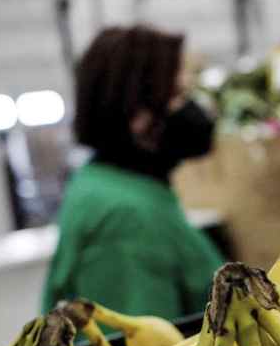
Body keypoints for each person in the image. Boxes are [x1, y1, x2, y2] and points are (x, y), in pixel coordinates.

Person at [42, 26, 224, 319]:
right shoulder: (125, 219)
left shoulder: (108, 183)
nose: (193, 110)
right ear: (136, 112)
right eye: (177, 95)